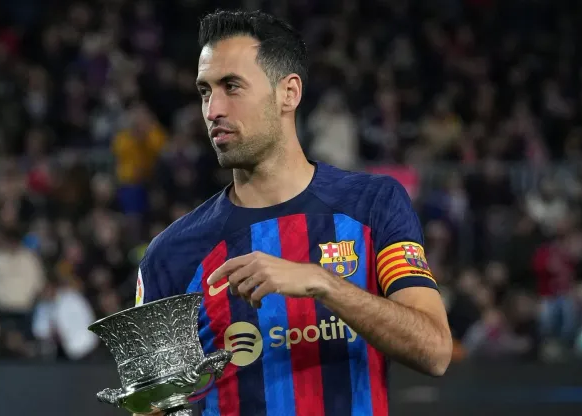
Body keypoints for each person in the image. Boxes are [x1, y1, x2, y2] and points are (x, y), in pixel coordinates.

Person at [136, 10, 452, 416]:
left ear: (289, 93)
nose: (213, 109)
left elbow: (436, 350)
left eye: (232, 86)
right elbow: (153, 407)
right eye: (204, 91)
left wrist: (323, 283)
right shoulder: (169, 255)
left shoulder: (374, 205)